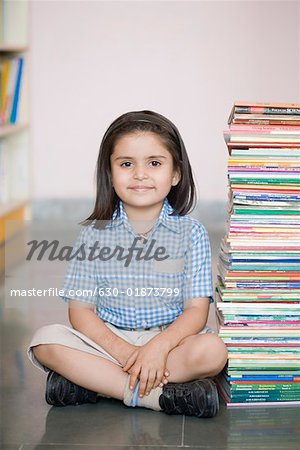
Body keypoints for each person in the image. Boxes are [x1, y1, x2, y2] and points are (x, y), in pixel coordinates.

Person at [27, 110, 228, 418]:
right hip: (109, 342)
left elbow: (196, 311)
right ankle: (155, 396)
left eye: (155, 163)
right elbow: (80, 312)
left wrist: (158, 348)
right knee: (44, 342)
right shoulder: (94, 235)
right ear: (110, 173)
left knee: (213, 353)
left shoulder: (192, 234)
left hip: (168, 341)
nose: (140, 174)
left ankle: (92, 383)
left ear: (175, 174)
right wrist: (128, 353)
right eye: (126, 164)